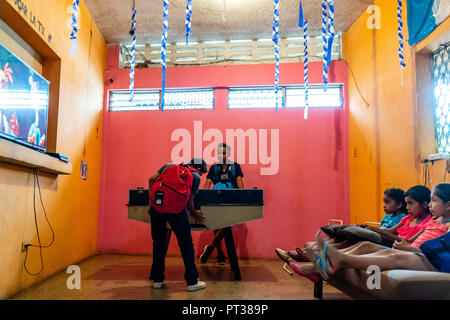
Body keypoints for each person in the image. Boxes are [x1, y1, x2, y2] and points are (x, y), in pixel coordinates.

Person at [292, 183, 450, 282]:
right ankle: (327, 258)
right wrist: (406, 245)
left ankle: (333, 260)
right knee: (366, 245)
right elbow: (414, 241)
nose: (430, 205)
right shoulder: (435, 221)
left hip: (428, 258)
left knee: (393, 256)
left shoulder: (445, 226)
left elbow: (439, 251)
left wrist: (409, 248)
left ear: (448, 205)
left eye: (434, 200)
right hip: (417, 251)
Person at [148, 158, 208, 291]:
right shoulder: (195, 176)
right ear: (199, 169)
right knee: (186, 244)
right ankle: (192, 282)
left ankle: (157, 280)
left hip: (157, 208)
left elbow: (151, 179)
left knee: (158, 242)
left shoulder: (169, 165)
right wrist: (194, 213)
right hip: (177, 211)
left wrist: (151, 203)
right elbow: (189, 203)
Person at [200, 143, 244, 265]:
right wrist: (203, 196)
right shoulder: (213, 168)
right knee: (217, 225)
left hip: (231, 199)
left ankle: (211, 247)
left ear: (229, 154)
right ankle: (220, 254)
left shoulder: (235, 166)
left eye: (224, 152)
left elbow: (239, 181)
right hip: (216, 199)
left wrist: (243, 196)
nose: (222, 155)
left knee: (226, 224)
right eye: (220, 152)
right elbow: (208, 183)